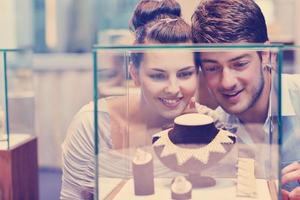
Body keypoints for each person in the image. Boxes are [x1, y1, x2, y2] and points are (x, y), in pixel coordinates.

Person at [61, 0, 201, 199]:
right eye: (157, 75)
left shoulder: (209, 123)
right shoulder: (93, 125)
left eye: (185, 74)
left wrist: (195, 142)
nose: (173, 89)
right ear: (134, 74)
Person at [191, 0, 300, 199]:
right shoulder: (216, 130)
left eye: (240, 64)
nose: (227, 82)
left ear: (267, 55)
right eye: (212, 68)